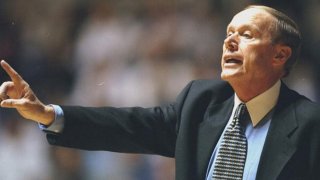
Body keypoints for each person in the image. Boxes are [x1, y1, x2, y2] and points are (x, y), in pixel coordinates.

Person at [0, 5, 319, 180]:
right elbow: (128, 125)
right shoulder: (201, 102)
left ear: (280, 56)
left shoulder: (309, 124)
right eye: (228, 33)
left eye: (246, 35)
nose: (229, 42)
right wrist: (48, 114)